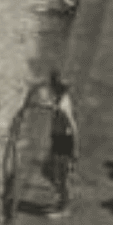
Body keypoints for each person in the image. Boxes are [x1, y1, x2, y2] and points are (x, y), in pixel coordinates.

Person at [44, 71, 77, 216]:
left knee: (62, 179)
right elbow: (53, 106)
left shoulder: (63, 106)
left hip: (63, 143)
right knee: (46, 170)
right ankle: (63, 197)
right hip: (57, 141)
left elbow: (73, 128)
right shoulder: (60, 98)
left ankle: (65, 208)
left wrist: (75, 151)